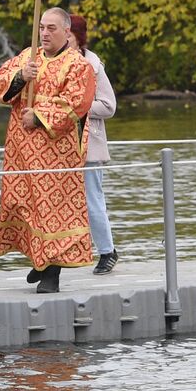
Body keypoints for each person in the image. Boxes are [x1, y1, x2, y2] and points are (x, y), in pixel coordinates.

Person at [0, 7, 96, 293]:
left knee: (53, 211)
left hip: (56, 153)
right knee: (23, 204)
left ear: (66, 31)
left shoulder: (78, 65)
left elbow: (78, 103)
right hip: (21, 150)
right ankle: (39, 261)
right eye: (42, 27)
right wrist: (21, 77)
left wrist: (38, 115)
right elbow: (0, 81)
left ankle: (52, 273)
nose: (45, 33)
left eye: (51, 28)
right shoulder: (29, 56)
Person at [69, 14, 120, 274]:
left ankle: (107, 251)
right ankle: (56, 255)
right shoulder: (53, 63)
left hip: (89, 143)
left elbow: (109, 105)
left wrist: (76, 108)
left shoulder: (92, 64)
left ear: (77, 37)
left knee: (92, 199)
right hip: (60, 146)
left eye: (68, 35)